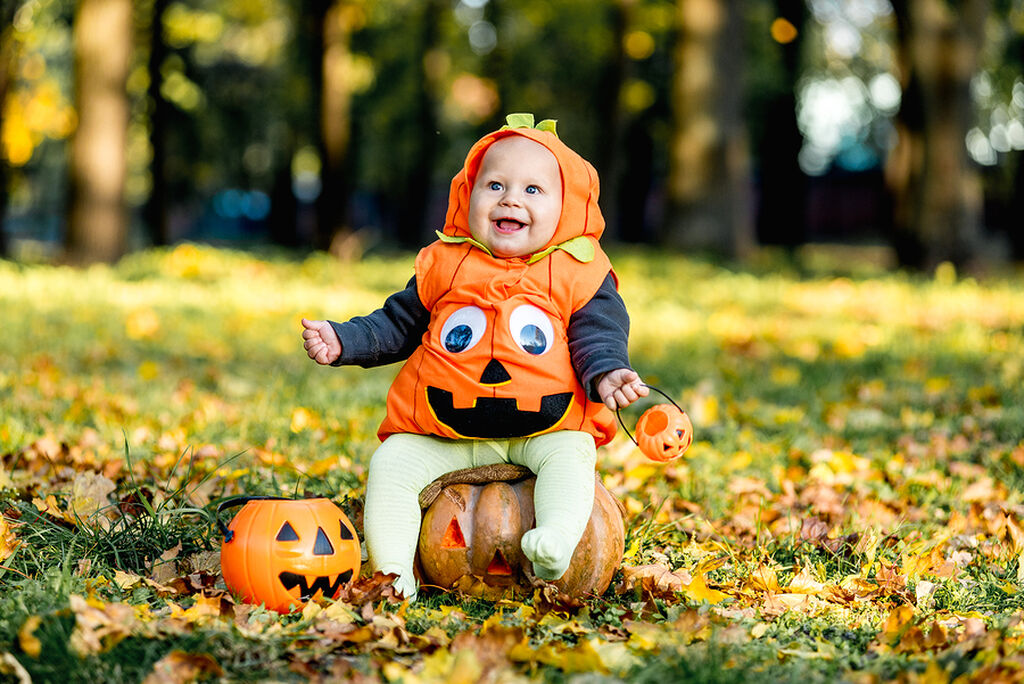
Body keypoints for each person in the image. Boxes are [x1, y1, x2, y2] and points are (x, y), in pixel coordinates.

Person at [301, 113, 647, 600]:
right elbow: (397, 324)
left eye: (532, 191)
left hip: (542, 429)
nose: (511, 198)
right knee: (391, 463)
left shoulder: (577, 272)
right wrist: (344, 341)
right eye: (496, 185)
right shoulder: (444, 264)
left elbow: (598, 334)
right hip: (447, 433)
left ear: (566, 207)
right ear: (469, 196)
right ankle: (393, 574)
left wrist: (608, 373)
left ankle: (557, 540)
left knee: (574, 453)